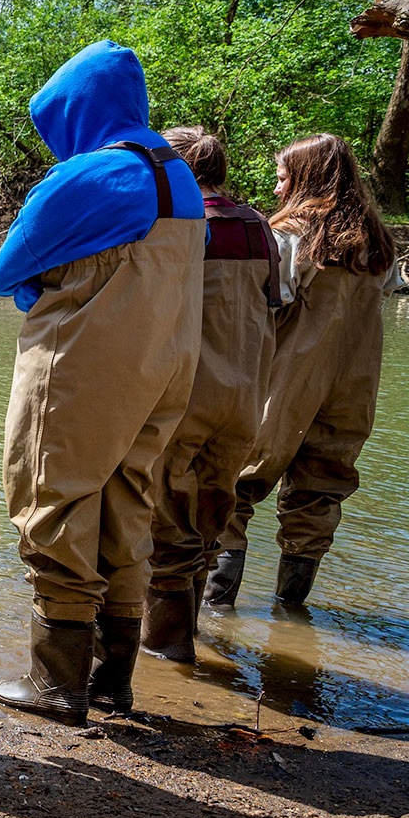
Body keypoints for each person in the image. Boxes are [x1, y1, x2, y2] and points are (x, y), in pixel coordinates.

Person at [0, 40, 205, 726]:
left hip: (82, 366)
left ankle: (56, 685)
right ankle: (114, 681)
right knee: (128, 504)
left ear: (77, 110)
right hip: (165, 366)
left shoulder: (90, 177)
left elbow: (1, 272)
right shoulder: (178, 174)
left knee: (54, 501)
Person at [206, 134, 392, 608]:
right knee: (320, 493)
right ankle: (290, 615)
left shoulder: (291, 235)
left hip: (286, 379)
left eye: (283, 177)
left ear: (308, 179)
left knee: (234, 482)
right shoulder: (377, 243)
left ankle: (216, 608)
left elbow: (269, 300)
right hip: (353, 387)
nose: (276, 190)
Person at [140, 128, 280, 663]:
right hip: (245, 403)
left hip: (188, 397)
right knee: (206, 527)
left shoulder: (181, 223)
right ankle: (188, 640)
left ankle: (167, 652)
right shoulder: (261, 228)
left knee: (166, 529)